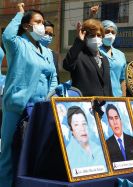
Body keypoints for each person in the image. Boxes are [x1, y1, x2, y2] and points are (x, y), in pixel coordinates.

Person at [0, 3, 57, 187]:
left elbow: (53, 77)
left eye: (42, 22)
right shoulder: (18, 45)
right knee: (8, 150)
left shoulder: (47, 52)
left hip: (39, 108)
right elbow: (7, 35)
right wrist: (20, 14)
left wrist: (49, 97)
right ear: (26, 26)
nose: (42, 26)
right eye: (38, 22)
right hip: (17, 107)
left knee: (32, 151)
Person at [63, 18, 112, 96]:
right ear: (85, 37)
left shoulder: (105, 59)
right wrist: (79, 41)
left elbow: (108, 86)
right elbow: (67, 65)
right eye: (92, 35)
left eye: (99, 35)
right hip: (85, 105)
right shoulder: (79, 55)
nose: (96, 38)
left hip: (104, 105)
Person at [66, 106, 106, 170]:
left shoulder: (98, 148)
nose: (82, 128)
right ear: (71, 129)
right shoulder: (69, 154)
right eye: (76, 125)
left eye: (84, 123)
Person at [100, 20, 127, 96]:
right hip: (100, 97)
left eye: (113, 32)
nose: (110, 34)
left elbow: (122, 79)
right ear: (101, 33)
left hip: (117, 97)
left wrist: (124, 99)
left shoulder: (121, 55)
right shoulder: (95, 51)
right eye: (107, 31)